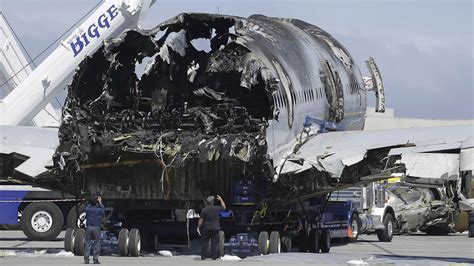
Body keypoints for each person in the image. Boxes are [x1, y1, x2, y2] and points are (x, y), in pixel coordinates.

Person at [197, 195, 226, 260]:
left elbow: (200, 220)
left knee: (204, 243)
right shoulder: (217, 209)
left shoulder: (204, 210)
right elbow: (224, 207)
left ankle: (203, 257)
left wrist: (198, 227)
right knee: (214, 244)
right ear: (213, 202)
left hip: (206, 228)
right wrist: (221, 199)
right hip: (215, 228)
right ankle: (214, 257)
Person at [84, 195, 105, 264]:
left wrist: (90, 201)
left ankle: (86, 259)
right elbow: (103, 210)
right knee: (97, 243)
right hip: (96, 227)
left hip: (89, 227)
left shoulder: (88, 209)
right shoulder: (99, 210)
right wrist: (100, 202)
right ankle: (95, 259)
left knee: (88, 243)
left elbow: (86, 208)